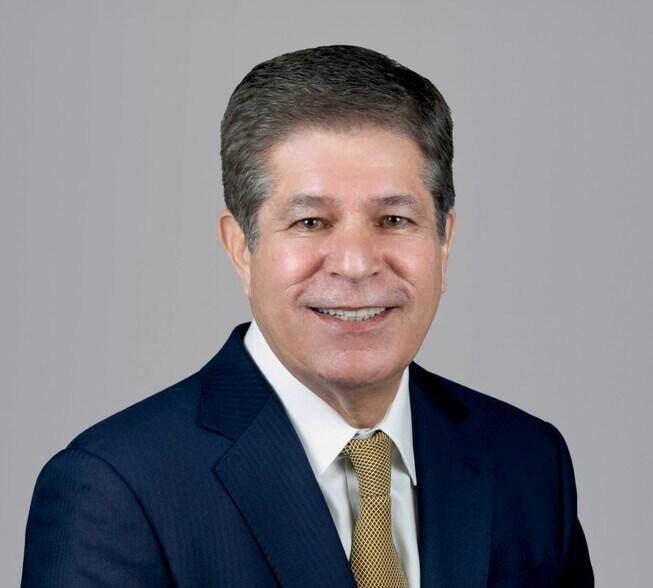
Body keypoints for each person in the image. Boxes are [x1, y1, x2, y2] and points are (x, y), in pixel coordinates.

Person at [21, 45, 593, 587]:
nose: (356, 264)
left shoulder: (528, 460)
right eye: (311, 222)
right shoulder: (115, 489)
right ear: (242, 249)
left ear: (443, 243)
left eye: (394, 220)